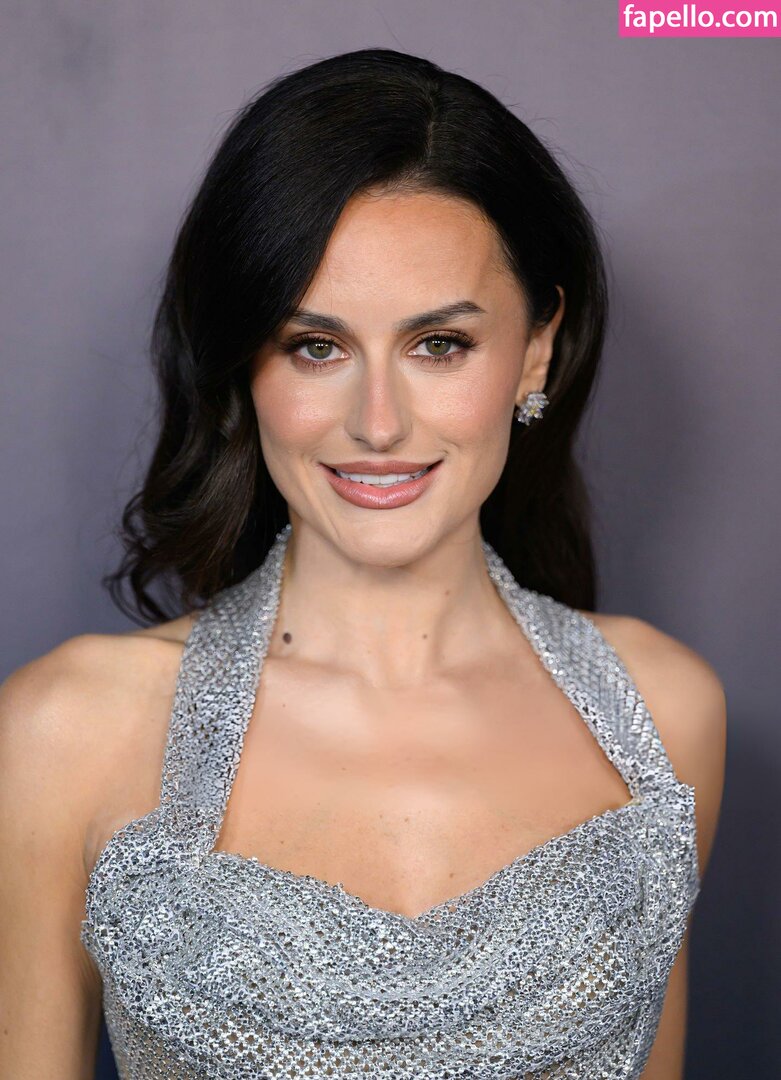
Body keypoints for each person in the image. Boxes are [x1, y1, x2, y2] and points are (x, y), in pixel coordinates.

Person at [0, 47, 726, 1079]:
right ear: (240, 363)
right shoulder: (65, 731)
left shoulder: (665, 712)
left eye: (439, 345)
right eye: (316, 346)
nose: (377, 424)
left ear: (535, 349)